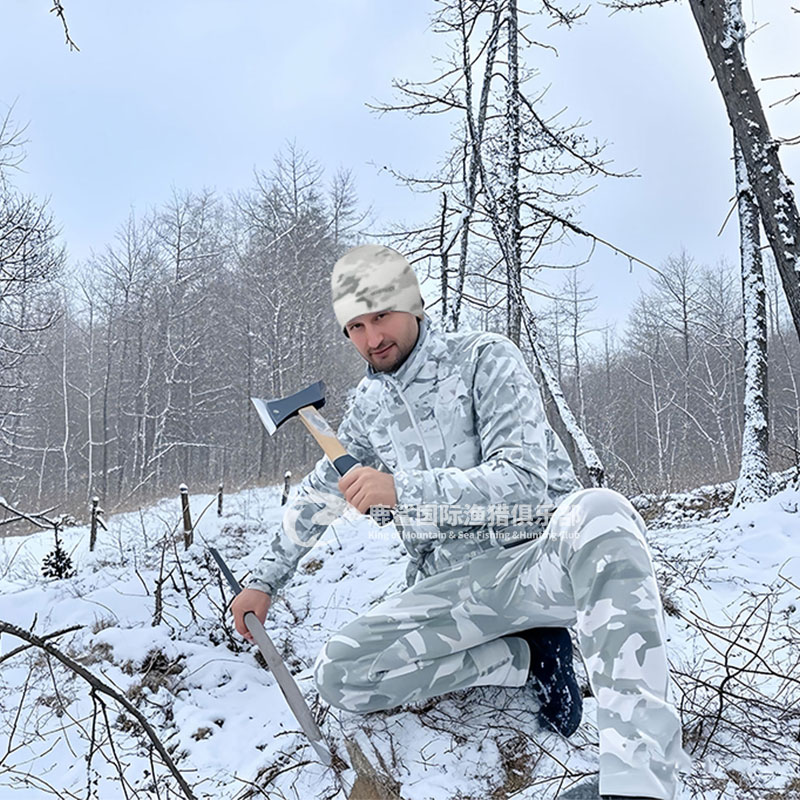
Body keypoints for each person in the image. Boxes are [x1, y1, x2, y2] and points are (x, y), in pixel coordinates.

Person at [231, 245, 691, 800]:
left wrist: (402, 490)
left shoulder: (484, 359)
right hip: (455, 589)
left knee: (602, 511)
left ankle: (637, 782)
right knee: (341, 673)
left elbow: (523, 479)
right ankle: (529, 657)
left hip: (533, 564)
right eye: (355, 326)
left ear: (413, 304)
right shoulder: (369, 409)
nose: (372, 338)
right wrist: (263, 580)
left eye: (381, 316)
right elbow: (317, 495)